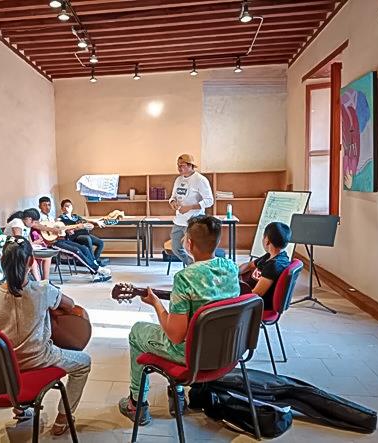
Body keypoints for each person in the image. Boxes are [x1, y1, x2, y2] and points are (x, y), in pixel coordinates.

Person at [118, 216, 240, 425]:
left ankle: (136, 404)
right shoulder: (231, 268)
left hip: (192, 355)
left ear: (189, 244)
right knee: (186, 327)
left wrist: (156, 304)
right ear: (217, 242)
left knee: (138, 331)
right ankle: (178, 395)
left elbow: (175, 336)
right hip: (228, 350)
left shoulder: (184, 278)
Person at [0, 236, 91, 435]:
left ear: (2, 261)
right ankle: (63, 417)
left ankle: (21, 408)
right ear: (31, 261)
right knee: (84, 363)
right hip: (41, 358)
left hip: (5, 365)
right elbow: (71, 305)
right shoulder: (44, 290)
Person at [168, 154, 214, 266]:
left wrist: (190, 207)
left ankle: (195, 269)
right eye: (178, 165)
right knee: (175, 248)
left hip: (193, 222)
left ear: (190, 166)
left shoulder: (200, 180)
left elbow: (209, 201)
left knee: (191, 249)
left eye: (182, 165)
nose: (179, 168)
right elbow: (172, 197)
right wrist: (172, 202)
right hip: (179, 220)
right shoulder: (178, 180)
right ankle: (192, 266)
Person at [238, 222, 291, 310]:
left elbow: (256, 294)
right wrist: (235, 272)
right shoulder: (270, 256)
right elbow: (250, 265)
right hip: (246, 289)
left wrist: (234, 294)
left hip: (254, 304)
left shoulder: (274, 265)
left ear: (267, 241)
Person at [5, 208, 52, 281]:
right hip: (12, 249)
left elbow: (28, 241)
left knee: (48, 257)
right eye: (35, 222)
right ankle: (39, 284)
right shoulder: (17, 222)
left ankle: (46, 282)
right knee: (32, 261)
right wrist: (34, 243)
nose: (34, 225)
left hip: (24, 248)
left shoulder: (27, 226)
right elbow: (18, 240)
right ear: (29, 219)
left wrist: (36, 243)